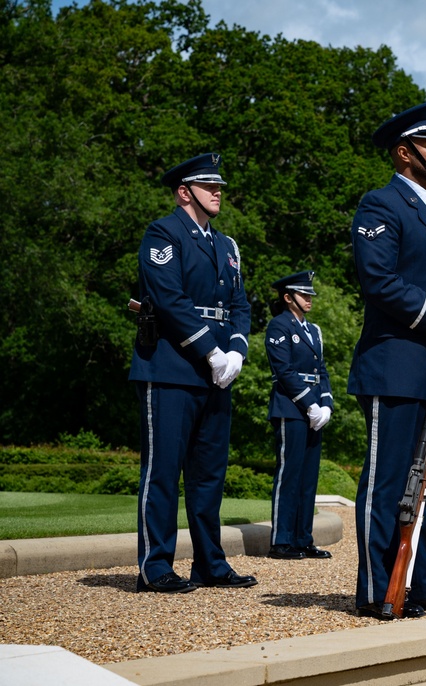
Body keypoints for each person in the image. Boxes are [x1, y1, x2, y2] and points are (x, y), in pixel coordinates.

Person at [348, 101, 426, 620]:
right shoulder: (379, 205)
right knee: (387, 480)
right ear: (405, 153)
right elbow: (378, 280)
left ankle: (420, 580)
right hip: (394, 362)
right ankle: (380, 586)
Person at [129, 153, 257, 593]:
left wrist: (236, 351)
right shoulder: (163, 233)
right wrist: (210, 351)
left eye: (219, 185)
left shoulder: (227, 245)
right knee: (162, 472)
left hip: (217, 371)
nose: (218, 191)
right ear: (185, 192)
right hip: (171, 367)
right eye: (208, 186)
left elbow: (240, 305)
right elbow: (168, 299)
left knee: (208, 475)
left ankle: (210, 563)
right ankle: (155, 565)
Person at [264, 270, 334, 561]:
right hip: (290, 407)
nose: (309, 299)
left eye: (310, 295)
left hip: (314, 409)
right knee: (289, 473)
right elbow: (284, 371)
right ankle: (281, 540)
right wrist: (309, 403)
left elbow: (322, 371)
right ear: (287, 297)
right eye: (303, 295)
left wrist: (327, 403)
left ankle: (303, 538)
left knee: (308, 476)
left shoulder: (314, 330)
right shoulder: (278, 326)